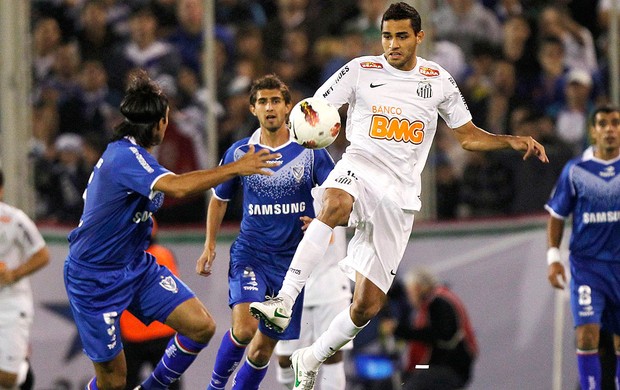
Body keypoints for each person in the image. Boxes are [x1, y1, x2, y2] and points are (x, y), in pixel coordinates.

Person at [249, 3, 549, 389]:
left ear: (419, 37)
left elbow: (468, 135)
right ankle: (284, 302)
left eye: (401, 36)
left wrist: (510, 140)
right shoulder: (360, 69)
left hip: (400, 195)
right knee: (335, 203)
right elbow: (315, 109)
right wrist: (308, 125)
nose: (392, 44)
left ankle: (314, 354)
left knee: (366, 307)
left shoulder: (437, 80)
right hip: (360, 164)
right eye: (387, 36)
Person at [63, 69, 281, 390]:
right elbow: (177, 188)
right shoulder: (124, 158)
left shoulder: (135, 156)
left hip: (135, 266)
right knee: (113, 380)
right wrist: (235, 167)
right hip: (94, 278)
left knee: (201, 326)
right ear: (160, 123)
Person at [196, 74, 335, 390]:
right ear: (252, 109)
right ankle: (216, 386)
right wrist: (209, 245)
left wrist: (323, 219)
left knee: (261, 351)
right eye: (262, 102)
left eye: (276, 101)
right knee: (244, 330)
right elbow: (219, 201)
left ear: (289, 107)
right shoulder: (240, 153)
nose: (269, 107)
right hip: (251, 254)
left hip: (291, 266)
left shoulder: (311, 149)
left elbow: (336, 191)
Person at [545, 105, 620, 390]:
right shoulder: (576, 170)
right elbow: (556, 215)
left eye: (615, 123)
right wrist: (553, 258)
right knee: (587, 334)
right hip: (588, 267)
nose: (610, 129)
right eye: (603, 124)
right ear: (593, 131)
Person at [274, 226, 352, 390]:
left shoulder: (333, 198)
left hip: (331, 283)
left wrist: (323, 224)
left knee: (333, 354)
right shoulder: (280, 199)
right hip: (290, 286)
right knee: (285, 361)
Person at [380, 268, 478, 390]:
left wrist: (399, 330)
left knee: (410, 385)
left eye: (410, 292)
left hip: (449, 368)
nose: (409, 298)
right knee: (392, 382)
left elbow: (441, 334)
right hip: (433, 366)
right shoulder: (433, 302)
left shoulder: (438, 302)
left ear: (417, 288)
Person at [0, 168, 50, 389]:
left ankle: (23, 371)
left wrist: (13, 274)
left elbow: (42, 254)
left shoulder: (13, 218)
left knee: (7, 379)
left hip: (10, 305)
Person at [120, 218, 182, 390]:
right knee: (169, 383)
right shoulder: (164, 255)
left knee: (127, 384)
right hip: (164, 332)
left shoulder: (123, 259)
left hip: (133, 335)